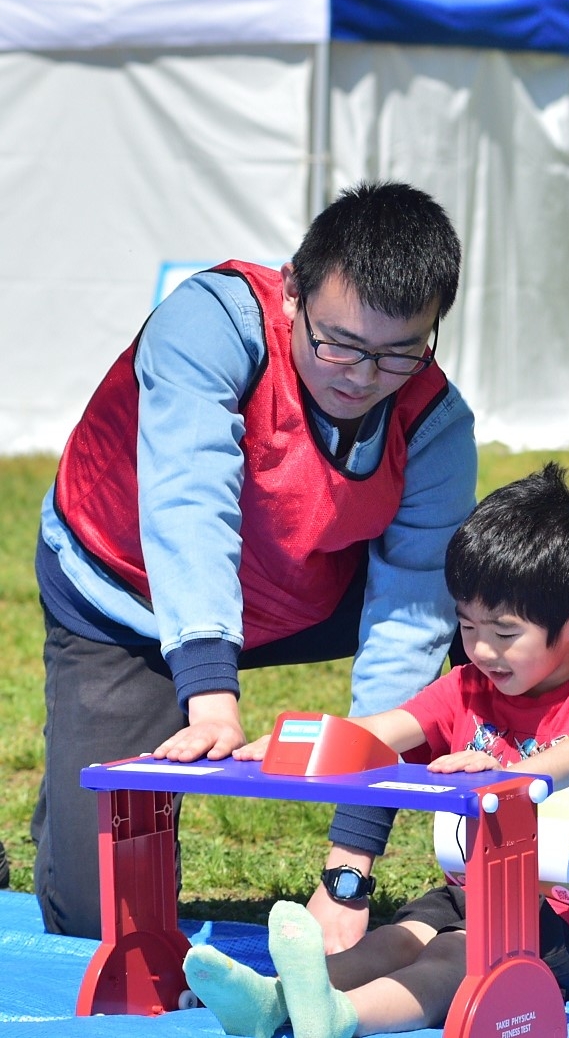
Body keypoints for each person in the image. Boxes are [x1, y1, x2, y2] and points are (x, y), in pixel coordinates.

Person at [32, 181, 478, 944]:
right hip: (130, 597)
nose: (362, 375)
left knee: (486, 606)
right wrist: (210, 697)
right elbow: (190, 500)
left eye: (399, 352)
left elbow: (409, 627)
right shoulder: (207, 322)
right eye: (339, 342)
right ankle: (79, 779)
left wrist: (349, 869)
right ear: (293, 289)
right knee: (100, 922)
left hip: (304, 593)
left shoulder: (437, 423)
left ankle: (508, 872)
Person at [181, 461, 569, 1038]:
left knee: (455, 953)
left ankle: (343, 1018)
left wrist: (513, 775)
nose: (481, 650)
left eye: (504, 633)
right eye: (467, 626)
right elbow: (382, 730)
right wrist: (295, 748)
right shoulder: (465, 688)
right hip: (473, 892)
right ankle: (272, 999)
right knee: (395, 938)